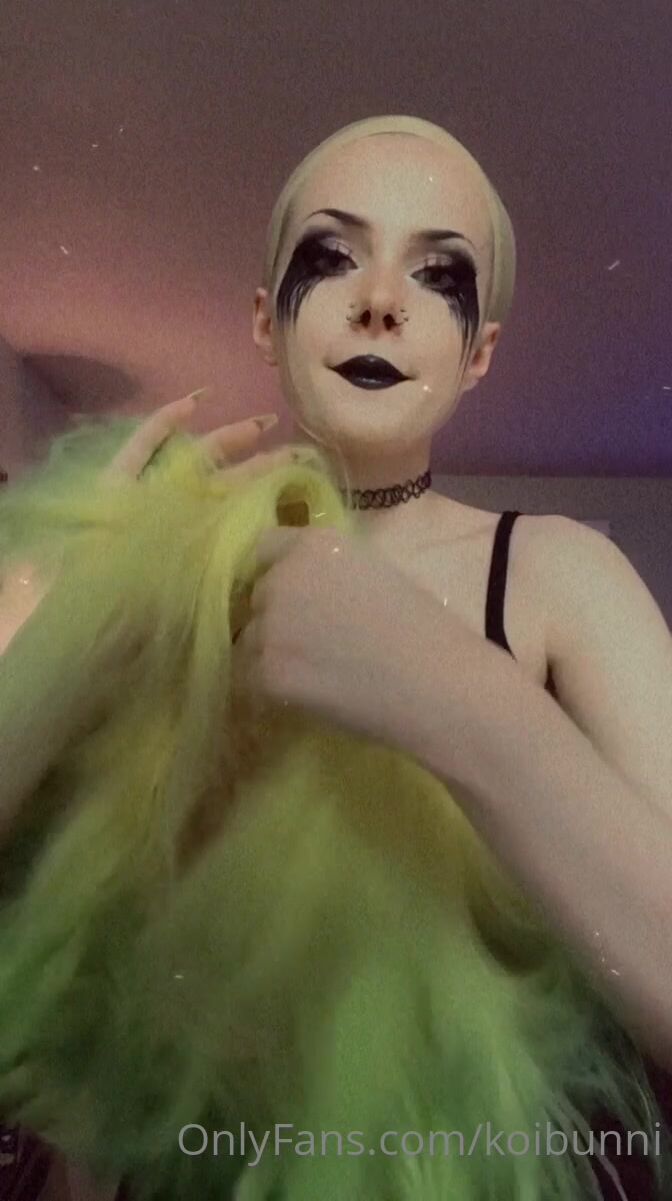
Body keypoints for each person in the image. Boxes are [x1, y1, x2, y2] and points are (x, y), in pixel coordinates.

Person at [0, 114, 671, 1200]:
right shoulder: (151, 576)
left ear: (479, 352)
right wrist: (75, 637)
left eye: (438, 275)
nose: (381, 301)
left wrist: (457, 695)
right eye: (333, 254)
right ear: (264, 320)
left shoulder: (558, 577)